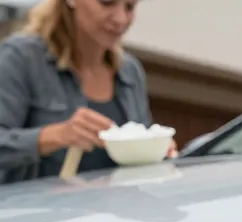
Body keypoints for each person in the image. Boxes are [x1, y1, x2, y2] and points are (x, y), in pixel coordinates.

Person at [0, 0, 175, 184]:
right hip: (38, 203)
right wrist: (54, 136)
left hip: (114, 201)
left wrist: (156, 151)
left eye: (129, 7)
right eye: (106, 3)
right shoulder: (21, 58)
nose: (120, 19)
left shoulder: (131, 72)